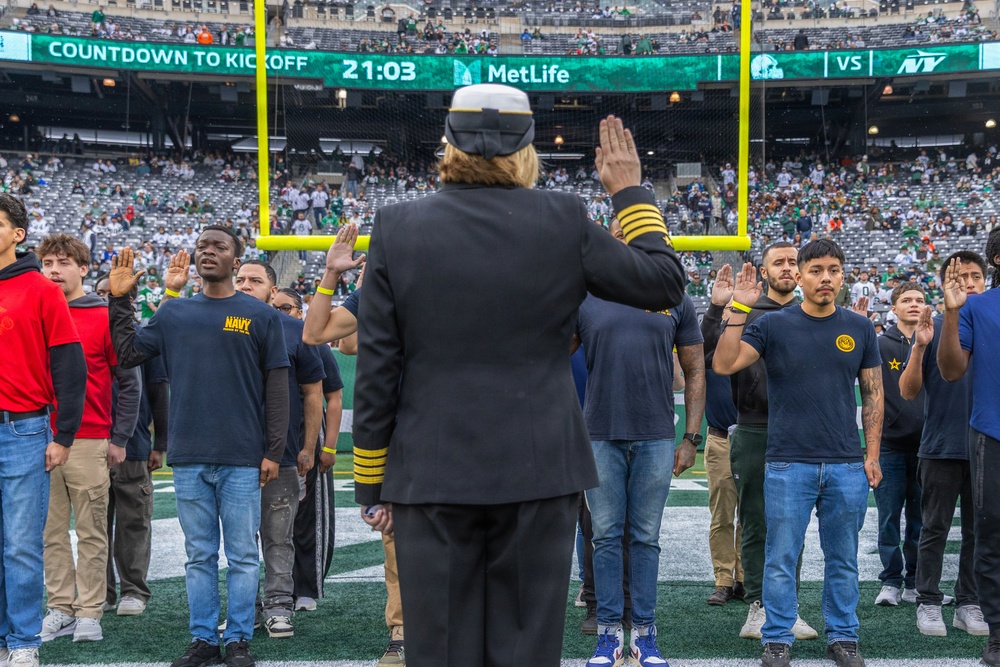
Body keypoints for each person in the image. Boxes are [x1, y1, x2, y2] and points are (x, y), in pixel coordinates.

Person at [352, 85, 685, 666]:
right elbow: (662, 282)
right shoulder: (563, 218)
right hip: (540, 466)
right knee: (526, 649)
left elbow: (378, 367)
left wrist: (371, 479)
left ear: (447, 143)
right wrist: (629, 193)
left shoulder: (396, 225)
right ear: (528, 148)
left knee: (441, 651)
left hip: (430, 470)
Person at [107, 226, 290, 667]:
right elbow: (128, 353)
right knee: (200, 555)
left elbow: (278, 386)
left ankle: (239, 639)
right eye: (203, 245)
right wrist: (119, 301)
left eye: (219, 246)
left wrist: (273, 450)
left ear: (235, 259)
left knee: (244, 555)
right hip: (189, 457)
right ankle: (205, 639)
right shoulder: (175, 313)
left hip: (243, 456)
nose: (208, 251)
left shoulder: (260, 315)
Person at [714, 240, 884, 667]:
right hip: (788, 461)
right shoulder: (772, 325)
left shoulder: (860, 327)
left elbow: (874, 395)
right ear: (802, 276)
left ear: (842, 276)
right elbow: (724, 364)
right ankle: (777, 637)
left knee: (843, 559)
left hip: (846, 463)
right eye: (815, 270)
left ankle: (843, 637)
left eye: (833, 270)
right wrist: (737, 309)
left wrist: (873, 454)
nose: (825, 278)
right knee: (780, 556)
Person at [575, 217, 705, 666]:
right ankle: (609, 633)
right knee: (606, 537)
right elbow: (550, 358)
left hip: (653, 434)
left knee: (645, 538)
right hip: (599, 433)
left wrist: (690, 436)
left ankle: (645, 634)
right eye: (620, 234)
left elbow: (694, 369)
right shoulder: (584, 293)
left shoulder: (672, 296)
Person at [700, 245, 818, 641]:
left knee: (794, 525)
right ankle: (758, 605)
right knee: (754, 520)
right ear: (765, 272)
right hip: (752, 427)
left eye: (792, 262)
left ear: (802, 272)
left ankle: (789, 605)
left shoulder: (813, 313)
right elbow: (708, 356)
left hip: (799, 430)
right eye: (778, 263)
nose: (787, 269)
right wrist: (721, 309)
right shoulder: (746, 310)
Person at [302, 254, 406, 667]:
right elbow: (338, 340)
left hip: (453, 426)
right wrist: (344, 282)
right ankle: (401, 629)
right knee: (397, 537)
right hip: (400, 432)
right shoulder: (381, 294)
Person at [37, 235, 141, 644]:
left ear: (83, 269)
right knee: (50, 532)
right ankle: (60, 606)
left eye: (63, 262)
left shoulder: (101, 314)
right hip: (35, 436)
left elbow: (128, 383)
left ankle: (90, 611)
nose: (54, 270)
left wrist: (119, 437)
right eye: (47, 262)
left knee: (93, 530)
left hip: (90, 437)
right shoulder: (36, 310)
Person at [0, 194, 87, 667]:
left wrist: (64, 434)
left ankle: (23, 641)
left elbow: (70, 367)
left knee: (20, 545)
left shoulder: (40, 289)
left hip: (23, 430)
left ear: (17, 234)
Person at [233, 260, 324, 639]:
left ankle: (278, 606)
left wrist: (307, 446)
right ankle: (245, 609)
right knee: (238, 541)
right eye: (240, 279)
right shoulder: (220, 327)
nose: (245, 285)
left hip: (283, 452)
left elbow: (313, 392)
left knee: (278, 536)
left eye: (255, 280)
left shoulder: (294, 330)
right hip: (232, 453)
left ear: (273, 291)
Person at [898, 251, 986, 638]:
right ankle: (928, 601)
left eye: (975, 276)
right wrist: (918, 347)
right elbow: (907, 391)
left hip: (986, 446)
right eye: (960, 276)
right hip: (941, 445)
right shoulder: (933, 326)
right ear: (945, 282)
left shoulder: (992, 322)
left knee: (979, 530)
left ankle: (969, 602)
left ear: (986, 280)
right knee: (933, 528)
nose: (969, 283)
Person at [936, 230, 1000, 666]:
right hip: (992, 434)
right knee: (991, 537)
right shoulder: (977, 305)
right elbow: (952, 370)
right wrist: (952, 315)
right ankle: (997, 635)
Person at [98, 272, 170, 618]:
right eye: (100, 294)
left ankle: (133, 590)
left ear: (129, 301)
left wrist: (161, 442)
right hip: (87, 443)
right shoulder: (76, 336)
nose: (103, 301)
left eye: (110, 295)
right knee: (93, 523)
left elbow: (159, 391)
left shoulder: (143, 340)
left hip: (135, 445)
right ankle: (101, 592)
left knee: (133, 521)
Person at [273, 288, 343, 615]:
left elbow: (333, 397)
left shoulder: (313, 343)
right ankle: (280, 588)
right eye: (276, 308)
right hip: (280, 439)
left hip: (309, 438)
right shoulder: (267, 338)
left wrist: (326, 447)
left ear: (299, 311)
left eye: (287, 307)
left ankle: (308, 587)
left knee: (309, 517)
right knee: (278, 522)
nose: (281, 313)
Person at [872, 282, 927, 607]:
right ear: (892, 307)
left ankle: (916, 583)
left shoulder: (934, 342)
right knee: (889, 517)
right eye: (906, 300)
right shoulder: (879, 344)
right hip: (891, 446)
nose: (913, 304)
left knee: (923, 521)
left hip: (927, 448)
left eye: (919, 300)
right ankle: (891, 580)